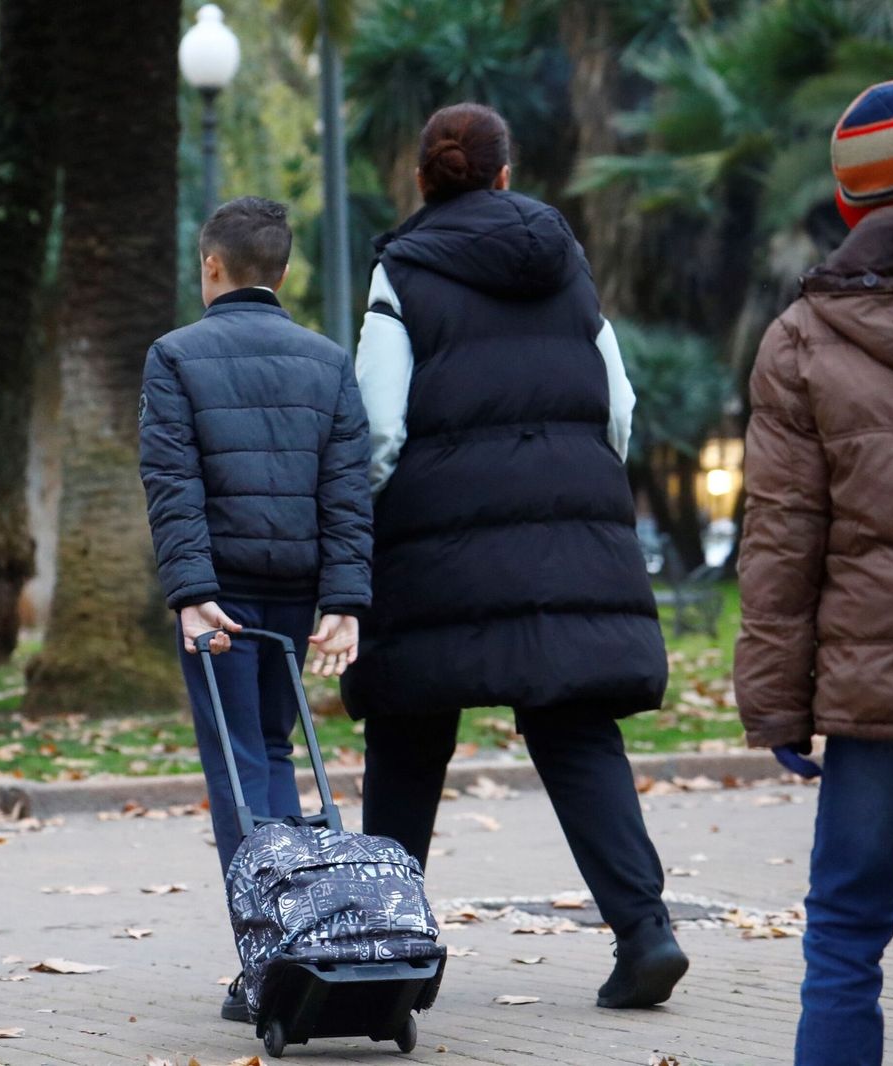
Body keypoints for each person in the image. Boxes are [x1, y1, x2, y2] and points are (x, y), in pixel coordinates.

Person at [343, 103, 687, 1009]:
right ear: (504, 175)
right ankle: (645, 931)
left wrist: (375, 519)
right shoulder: (568, 267)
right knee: (574, 728)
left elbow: (377, 427)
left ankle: (386, 951)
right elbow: (617, 406)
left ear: (422, 180)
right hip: (565, 537)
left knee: (410, 732)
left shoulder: (401, 273)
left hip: (437, 550)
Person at [735, 79, 893, 1066]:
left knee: (843, 929)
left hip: (874, 689)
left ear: (848, 207)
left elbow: (782, 543)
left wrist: (777, 705)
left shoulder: (801, 340)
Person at [138, 196, 373, 1022]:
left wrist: (191, 594)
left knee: (238, 767)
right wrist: (343, 603)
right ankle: (305, 944)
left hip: (222, 596)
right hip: (300, 588)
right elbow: (349, 491)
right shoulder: (326, 359)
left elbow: (173, 486)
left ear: (212, 265)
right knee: (274, 754)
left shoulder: (174, 355)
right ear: (282, 270)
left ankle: (270, 959)